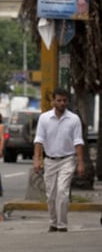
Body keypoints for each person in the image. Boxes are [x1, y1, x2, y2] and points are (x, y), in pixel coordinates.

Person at [33, 87, 85, 232]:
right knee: (51, 195)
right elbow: (39, 140)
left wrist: (80, 163)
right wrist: (37, 160)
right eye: (59, 100)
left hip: (68, 159)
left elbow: (78, 142)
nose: (62, 103)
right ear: (53, 101)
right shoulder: (44, 118)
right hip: (49, 160)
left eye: (64, 101)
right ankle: (53, 222)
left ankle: (62, 225)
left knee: (62, 191)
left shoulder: (74, 119)